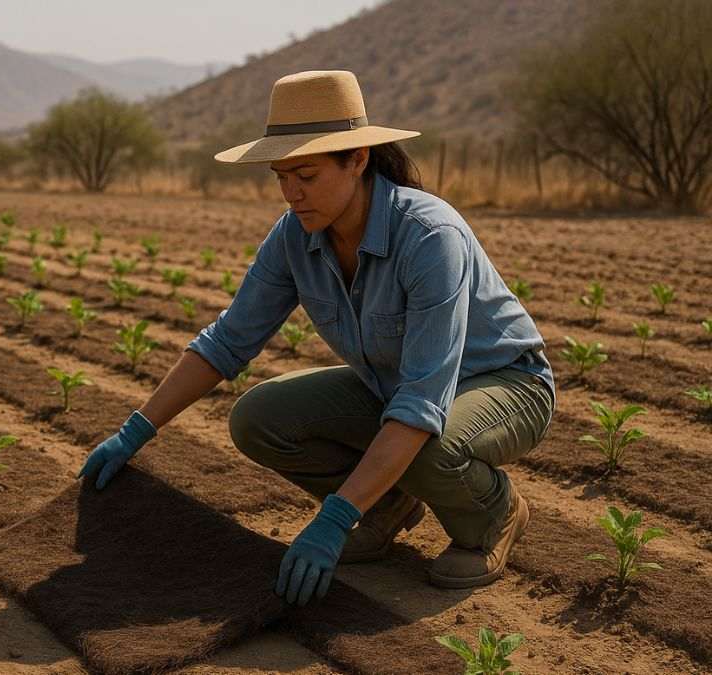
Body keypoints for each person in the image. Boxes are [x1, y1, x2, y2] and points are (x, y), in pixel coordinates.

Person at [78, 71, 555, 606]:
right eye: (281, 176)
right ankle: (384, 506)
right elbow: (226, 342)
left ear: (357, 159)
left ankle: (494, 513)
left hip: (504, 385)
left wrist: (334, 517)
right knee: (259, 418)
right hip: (395, 388)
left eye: (305, 174)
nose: (291, 193)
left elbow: (423, 402)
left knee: (427, 446)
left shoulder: (428, 237)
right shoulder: (294, 236)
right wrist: (135, 430)